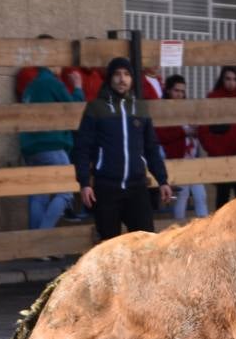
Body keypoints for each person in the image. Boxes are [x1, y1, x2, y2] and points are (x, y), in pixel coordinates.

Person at [71, 57, 173, 241]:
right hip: (106, 189)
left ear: (132, 79)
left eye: (126, 74)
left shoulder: (140, 108)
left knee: (146, 242)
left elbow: (151, 147)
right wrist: (85, 182)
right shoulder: (96, 108)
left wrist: (163, 180)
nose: (122, 79)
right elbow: (82, 148)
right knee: (110, 246)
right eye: (117, 74)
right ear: (110, 78)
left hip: (137, 187)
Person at [19, 43, 82, 230]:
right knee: (67, 191)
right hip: (52, 145)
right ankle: (44, 239)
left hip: (30, 148)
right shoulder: (53, 83)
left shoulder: (31, 86)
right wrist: (78, 87)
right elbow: (74, 110)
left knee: (39, 195)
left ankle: (35, 246)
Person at [197, 65, 236, 208]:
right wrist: (213, 149)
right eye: (228, 79)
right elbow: (203, 129)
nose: (231, 82)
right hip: (221, 158)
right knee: (222, 197)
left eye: (234, 79)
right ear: (222, 79)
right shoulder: (213, 98)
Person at [154, 75, 209, 220]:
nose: (179, 94)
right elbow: (161, 134)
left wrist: (197, 130)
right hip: (175, 158)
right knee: (182, 195)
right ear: (168, 91)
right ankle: (178, 229)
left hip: (192, 158)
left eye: (182, 91)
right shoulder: (162, 109)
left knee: (200, 195)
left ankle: (204, 230)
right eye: (176, 91)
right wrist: (184, 131)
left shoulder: (187, 108)